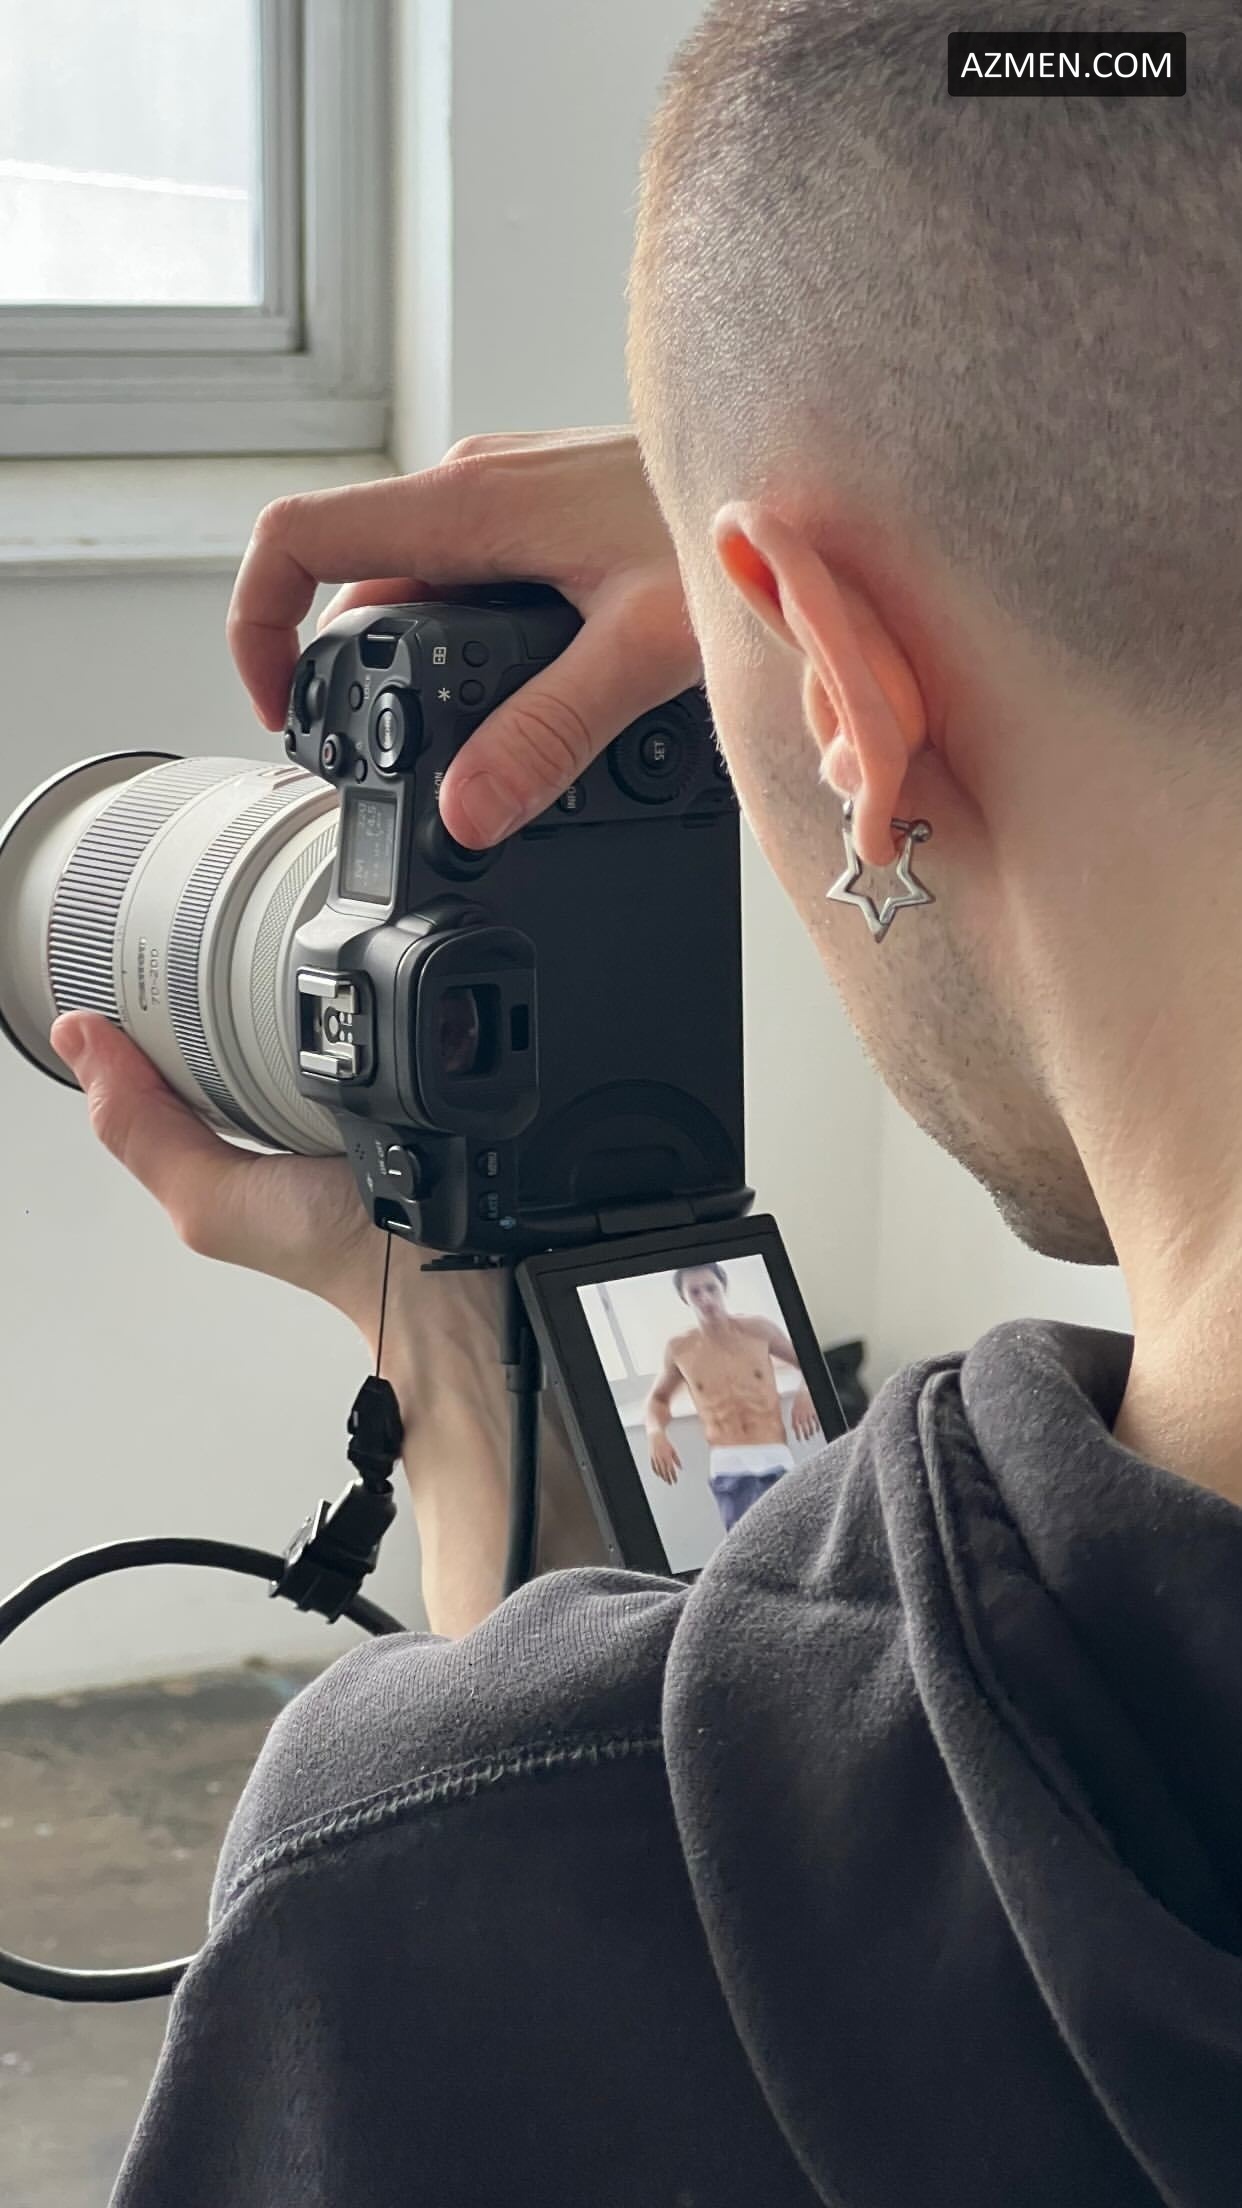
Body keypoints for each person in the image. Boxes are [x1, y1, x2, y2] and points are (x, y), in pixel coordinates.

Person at [46, 2, 1242, 2199]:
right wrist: (861, 490)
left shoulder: (441, 1895)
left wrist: (454, 1400)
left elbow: (584, 1941)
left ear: (839, 694)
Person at [644, 1263, 820, 1529]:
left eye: (711, 1288)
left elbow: (811, 1362)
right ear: (684, 1298)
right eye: (695, 1292)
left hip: (774, 1455)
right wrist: (655, 1433)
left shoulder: (759, 1329)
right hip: (728, 1465)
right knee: (744, 1549)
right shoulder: (680, 1348)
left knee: (798, 1537)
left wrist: (806, 1391)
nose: (705, 1298)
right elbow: (657, 1400)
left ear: (723, 1287)